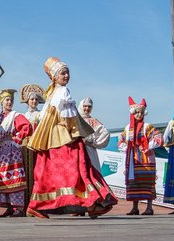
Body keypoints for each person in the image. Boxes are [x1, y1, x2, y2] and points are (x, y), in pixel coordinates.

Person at [26, 57, 117, 219]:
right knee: (78, 169)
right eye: (63, 73)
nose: (66, 76)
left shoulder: (52, 93)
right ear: (54, 76)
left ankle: (38, 204)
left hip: (51, 139)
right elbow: (68, 117)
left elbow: (43, 118)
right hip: (65, 137)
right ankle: (92, 203)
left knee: (49, 171)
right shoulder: (62, 91)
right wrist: (77, 133)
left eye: (67, 73)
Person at [0, 89, 33, 217]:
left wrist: (16, 138)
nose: (9, 103)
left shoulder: (16, 115)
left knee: (14, 179)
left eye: (11, 100)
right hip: (0, 155)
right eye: (7, 100)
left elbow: (27, 127)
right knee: (3, 179)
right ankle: (8, 207)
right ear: (2, 102)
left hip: (12, 154)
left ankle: (18, 208)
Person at [117, 97, 163, 216]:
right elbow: (120, 141)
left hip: (146, 158)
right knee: (134, 182)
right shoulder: (128, 128)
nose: (139, 114)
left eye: (141, 112)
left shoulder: (147, 126)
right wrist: (127, 148)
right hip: (132, 159)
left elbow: (159, 137)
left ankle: (149, 207)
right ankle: (135, 208)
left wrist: (149, 146)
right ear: (132, 113)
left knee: (147, 182)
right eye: (137, 112)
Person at [19, 84, 45, 215]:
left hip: (36, 147)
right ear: (27, 101)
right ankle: (25, 205)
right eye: (31, 99)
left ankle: (36, 205)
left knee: (36, 175)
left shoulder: (40, 115)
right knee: (25, 175)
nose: (34, 101)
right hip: (24, 147)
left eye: (36, 100)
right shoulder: (22, 115)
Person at [78, 97, 110, 171]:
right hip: (77, 149)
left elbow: (105, 133)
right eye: (85, 106)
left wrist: (93, 143)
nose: (87, 108)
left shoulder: (93, 121)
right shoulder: (74, 120)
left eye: (89, 106)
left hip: (89, 150)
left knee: (90, 169)